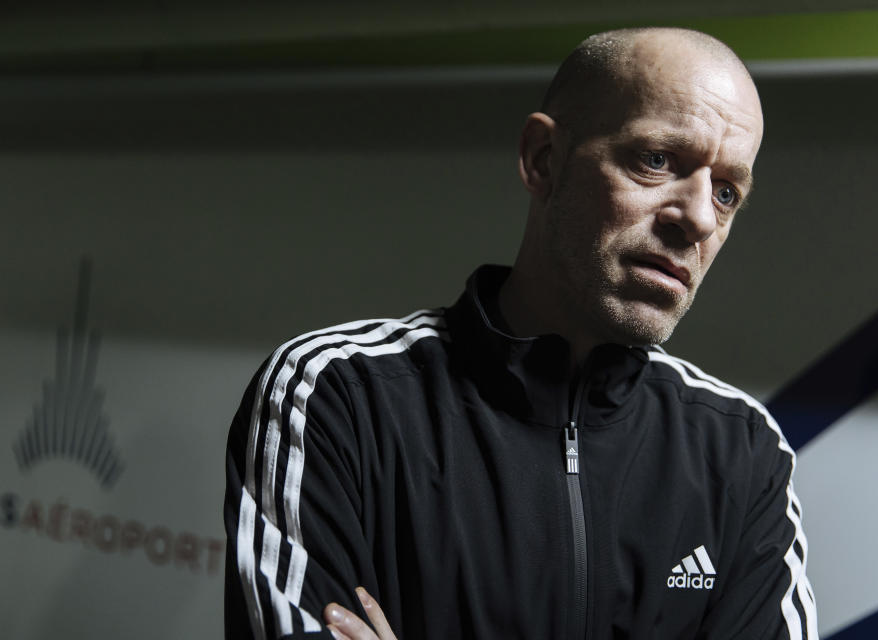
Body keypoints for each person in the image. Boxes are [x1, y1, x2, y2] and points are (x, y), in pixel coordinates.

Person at [224, 26, 818, 640]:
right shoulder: (337, 395)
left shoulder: (743, 453)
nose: (697, 217)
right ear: (543, 160)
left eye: (726, 193)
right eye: (657, 159)